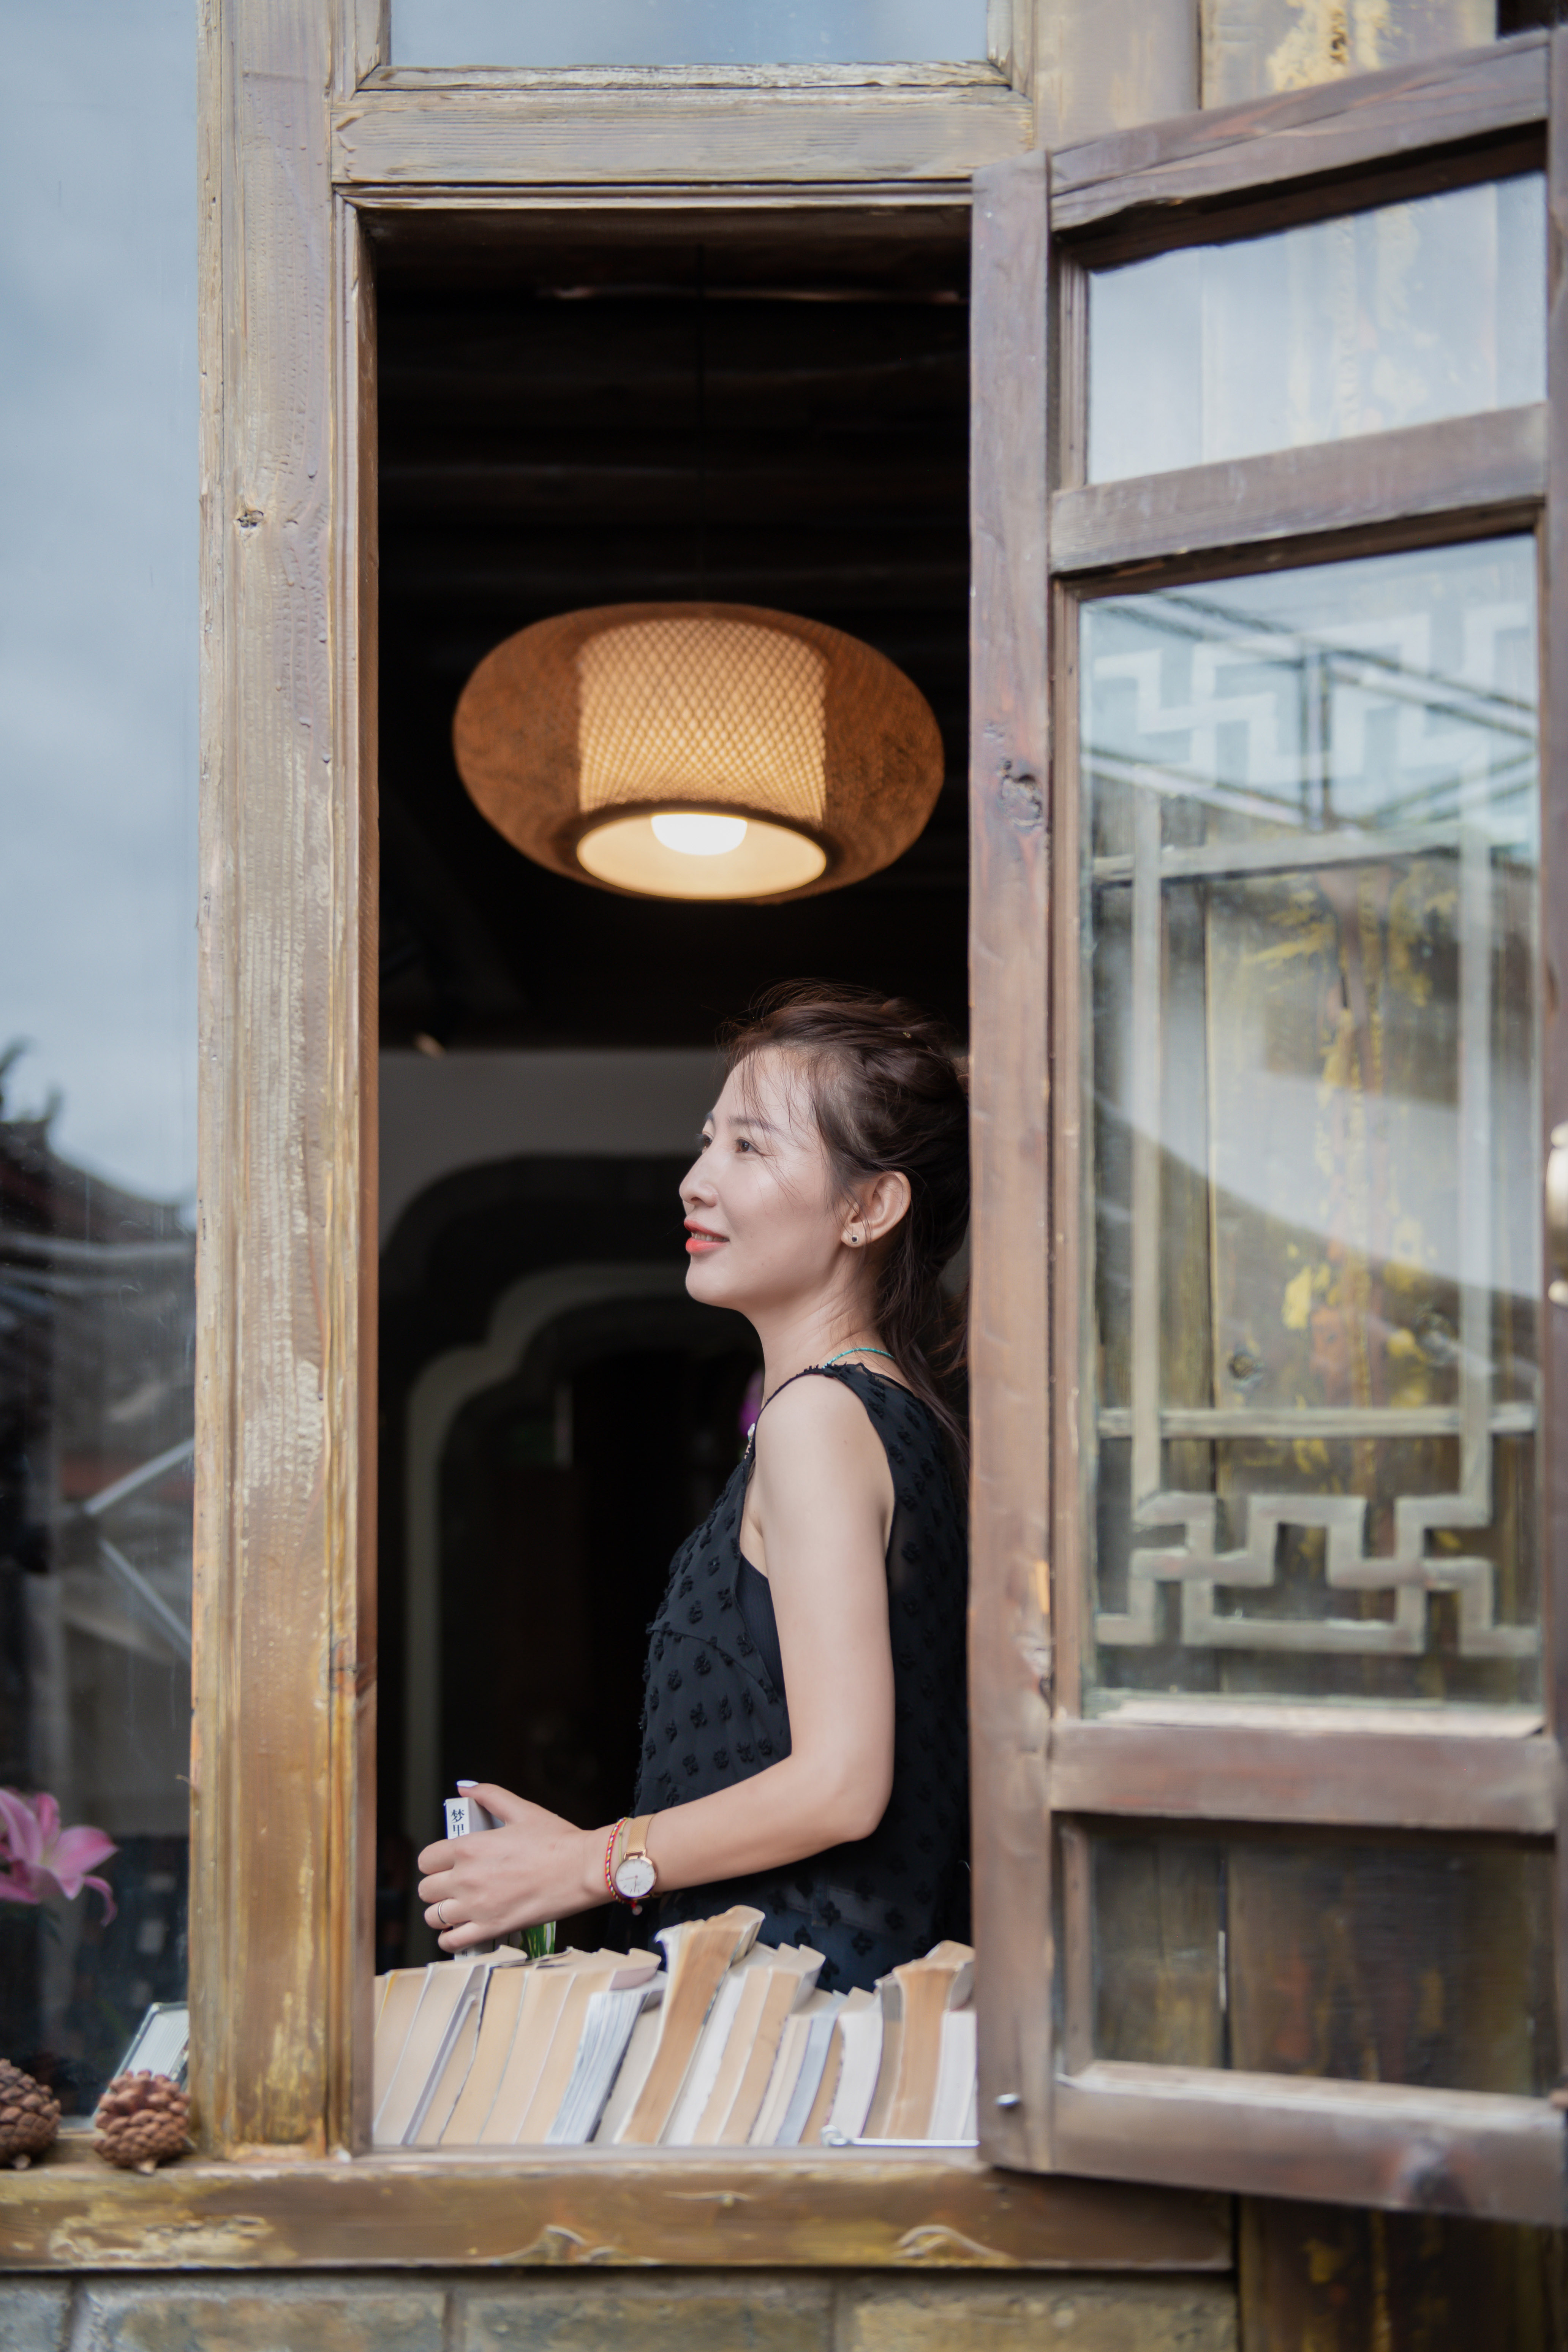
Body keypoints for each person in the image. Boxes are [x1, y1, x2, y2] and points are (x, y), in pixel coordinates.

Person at [416, 983, 970, 1992]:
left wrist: (585, 1864)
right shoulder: (884, 1417)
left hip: (800, 2023)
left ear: (869, 1208)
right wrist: (579, 1857)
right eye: (708, 1141)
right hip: (824, 2006)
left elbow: (842, 1786)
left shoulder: (818, 1420)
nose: (695, 1181)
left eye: (750, 1147)